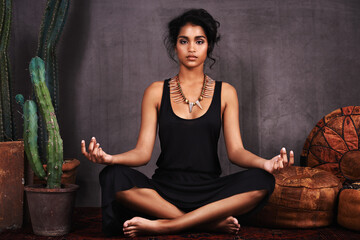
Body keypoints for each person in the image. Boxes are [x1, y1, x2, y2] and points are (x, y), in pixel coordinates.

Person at [81, 8, 294, 237]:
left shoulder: (226, 93)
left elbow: (236, 152)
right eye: (184, 41)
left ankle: (167, 224)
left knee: (263, 181)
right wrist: (110, 158)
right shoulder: (155, 92)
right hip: (163, 192)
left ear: (208, 46)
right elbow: (142, 153)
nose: (191, 48)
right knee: (112, 176)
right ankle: (205, 223)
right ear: (175, 46)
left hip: (211, 192)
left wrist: (266, 164)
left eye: (199, 41)